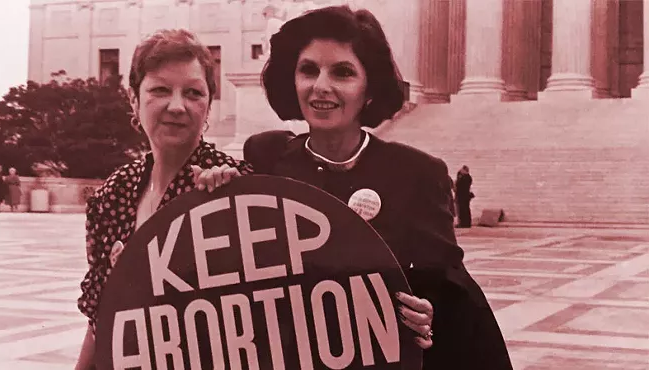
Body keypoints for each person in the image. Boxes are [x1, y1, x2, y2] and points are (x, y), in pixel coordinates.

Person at [202, 6, 513, 369]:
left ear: (370, 89)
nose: (321, 86)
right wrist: (216, 187)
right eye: (308, 70)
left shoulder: (417, 173)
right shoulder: (267, 156)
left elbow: (446, 283)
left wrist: (431, 313)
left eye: (343, 72)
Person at [74, 28, 252, 370]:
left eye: (193, 93)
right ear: (134, 99)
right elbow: (100, 317)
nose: (177, 106)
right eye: (159, 90)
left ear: (208, 104)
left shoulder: (234, 186)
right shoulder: (114, 193)